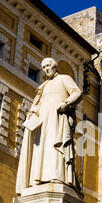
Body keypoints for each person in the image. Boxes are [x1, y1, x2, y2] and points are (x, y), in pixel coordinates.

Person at [16, 58, 82, 194]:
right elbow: (39, 103)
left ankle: (57, 176)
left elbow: (77, 93)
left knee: (55, 146)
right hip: (43, 122)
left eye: (48, 66)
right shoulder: (44, 85)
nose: (46, 69)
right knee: (41, 148)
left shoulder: (64, 78)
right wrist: (32, 112)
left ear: (55, 66)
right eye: (43, 67)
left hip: (57, 119)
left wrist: (66, 103)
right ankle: (38, 177)